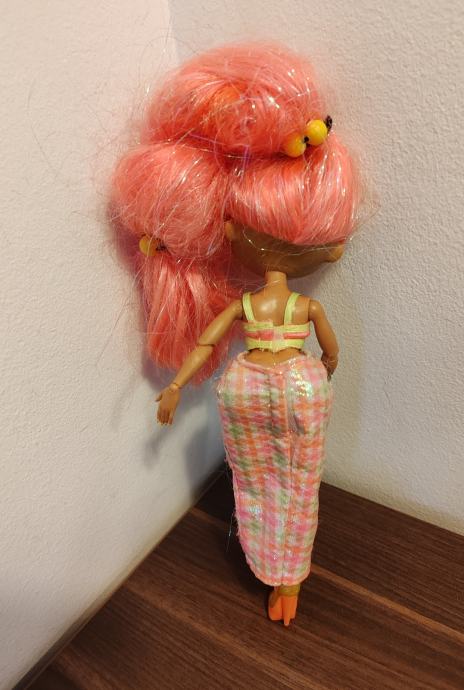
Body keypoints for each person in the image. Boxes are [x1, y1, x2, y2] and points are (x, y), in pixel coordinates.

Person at [111, 42, 360, 626]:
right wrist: (327, 365)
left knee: (258, 480)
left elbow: (208, 341)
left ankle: (273, 570)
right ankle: (288, 580)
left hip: (247, 384)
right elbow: (329, 345)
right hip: (301, 385)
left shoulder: (248, 305)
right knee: (296, 481)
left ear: (226, 231)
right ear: (331, 250)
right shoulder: (300, 305)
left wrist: (176, 387)